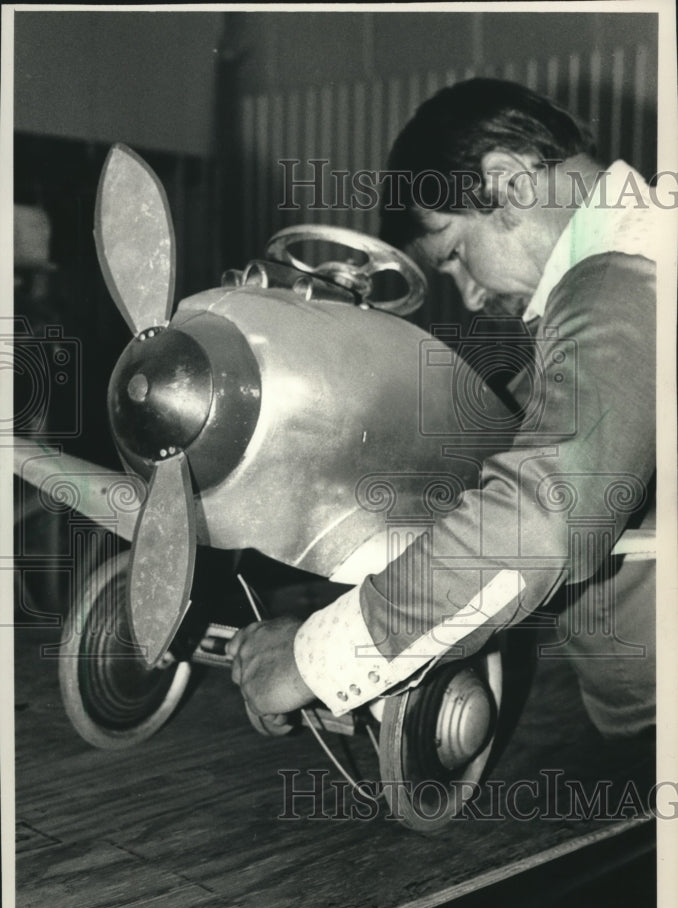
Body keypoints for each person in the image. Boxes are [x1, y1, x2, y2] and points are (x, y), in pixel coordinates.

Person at [229, 78, 657, 741]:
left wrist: (316, 658)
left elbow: (543, 522)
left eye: (455, 253)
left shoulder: (619, 283)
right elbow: (505, 442)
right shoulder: (640, 258)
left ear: (511, 182)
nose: (470, 296)